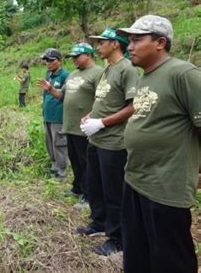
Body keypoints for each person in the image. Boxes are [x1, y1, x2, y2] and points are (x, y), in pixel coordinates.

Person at [116, 15, 200, 272]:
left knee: (171, 259)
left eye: (137, 40)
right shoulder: (145, 76)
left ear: (160, 42)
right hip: (136, 179)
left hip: (165, 187)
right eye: (129, 41)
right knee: (138, 252)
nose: (129, 46)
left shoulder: (183, 74)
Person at [76, 27, 139, 255]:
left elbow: (133, 106)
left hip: (114, 142)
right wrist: (91, 116)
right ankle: (99, 223)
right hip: (96, 140)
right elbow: (103, 100)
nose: (98, 46)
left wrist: (102, 123)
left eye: (102, 42)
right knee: (96, 185)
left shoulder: (127, 69)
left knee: (114, 192)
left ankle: (117, 238)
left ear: (115, 44)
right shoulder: (107, 70)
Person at [39, 43, 103, 208]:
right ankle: (77, 188)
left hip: (85, 128)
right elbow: (61, 96)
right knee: (75, 160)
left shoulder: (98, 73)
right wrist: (50, 89)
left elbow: (103, 99)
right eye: (72, 57)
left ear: (88, 55)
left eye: (77, 56)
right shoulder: (73, 74)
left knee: (86, 162)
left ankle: (89, 196)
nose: (73, 60)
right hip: (70, 126)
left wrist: (93, 116)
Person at [40, 48, 69, 180]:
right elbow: (45, 94)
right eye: (46, 61)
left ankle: (62, 170)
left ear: (59, 61)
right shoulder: (48, 75)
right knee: (49, 141)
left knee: (59, 143)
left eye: (51, 60)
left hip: (58, 116)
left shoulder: (65, 76)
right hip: (48, 115)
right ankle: (54, 165)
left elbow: (66, 96)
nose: (49, 63)